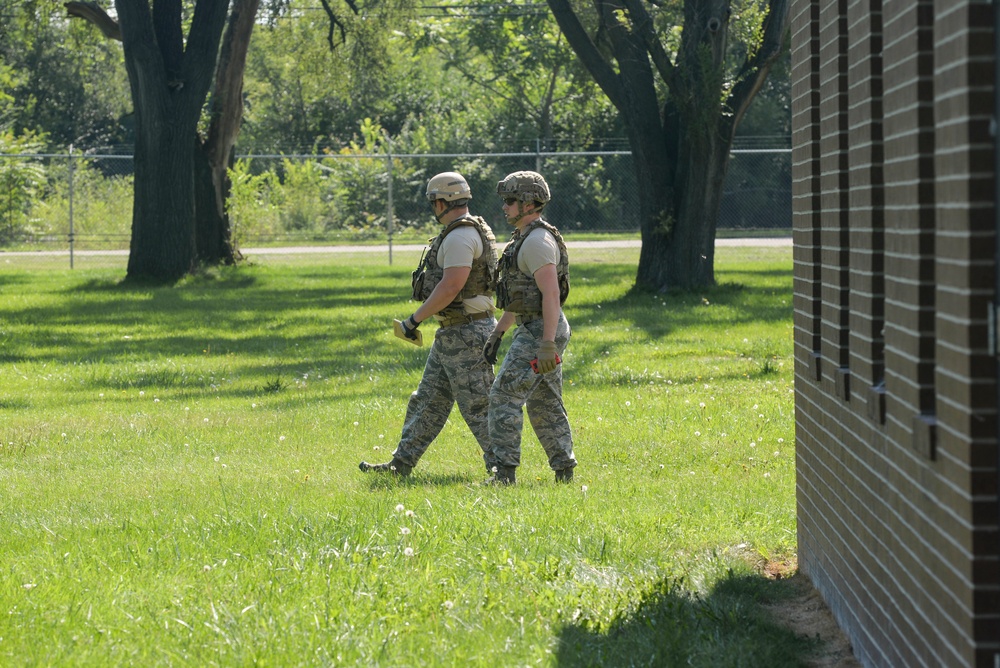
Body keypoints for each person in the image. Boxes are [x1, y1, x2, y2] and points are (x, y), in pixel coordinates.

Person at [360, 172, 499, 477]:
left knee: (478, 406)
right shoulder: (467, 230)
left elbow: (451, 286)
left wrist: (414, 319)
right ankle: (400, 464)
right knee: (427, 402)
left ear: (440, 202)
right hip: (455, 332)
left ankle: (502, 469)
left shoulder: (461, 236)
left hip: (466, 334)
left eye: (432, 202)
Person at [482, 170, 575, 485]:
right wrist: (499, 331)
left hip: (541, 330)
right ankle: (565, 470)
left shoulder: (536, 242)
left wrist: (547, 344)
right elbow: (522, 297)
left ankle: (503, 473)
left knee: (504, 395)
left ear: (527, 202)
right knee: (544, 400)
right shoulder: (524, 237)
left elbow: (551, 295)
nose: (504, 207)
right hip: (537, 326)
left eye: (509, 200)